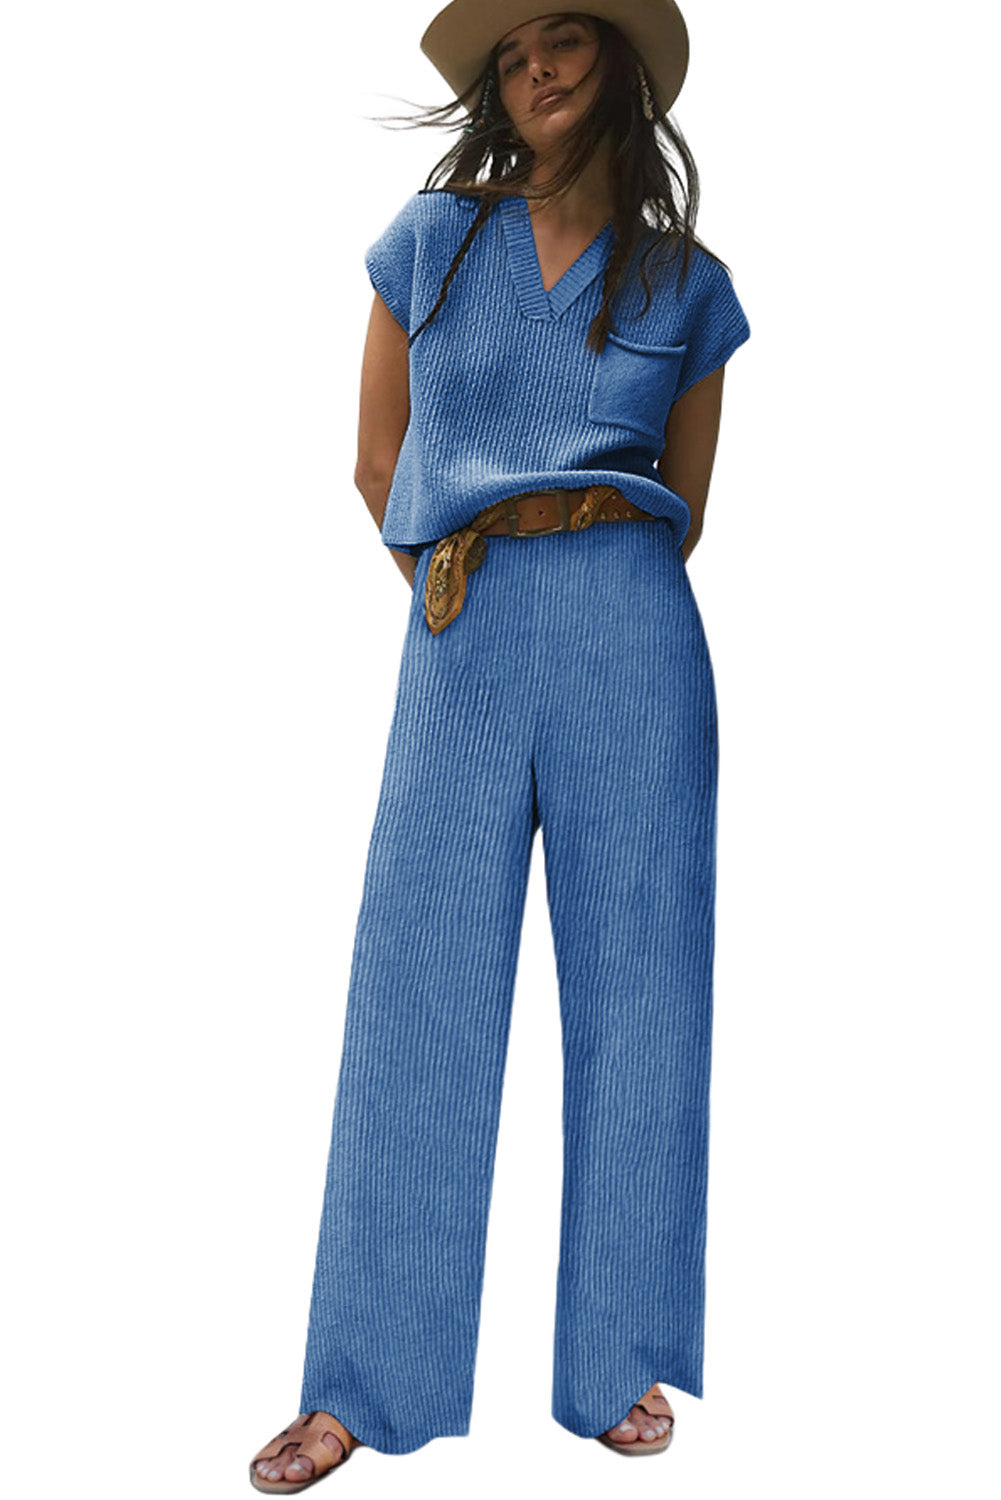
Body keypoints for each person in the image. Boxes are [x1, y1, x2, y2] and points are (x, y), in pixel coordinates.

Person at [250, 2, 750, 1489]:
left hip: (631, 624)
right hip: (462, 621)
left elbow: (688, 499)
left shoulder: (688, 283)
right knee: (417, 989)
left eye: (566, 36)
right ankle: (362, 1385)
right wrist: (465, 587)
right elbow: (375, 461)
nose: (535, 63)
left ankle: (617, 1360)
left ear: (618, 65)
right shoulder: (431, 241)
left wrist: (588, 578)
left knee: (644, 990)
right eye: (514, 44)